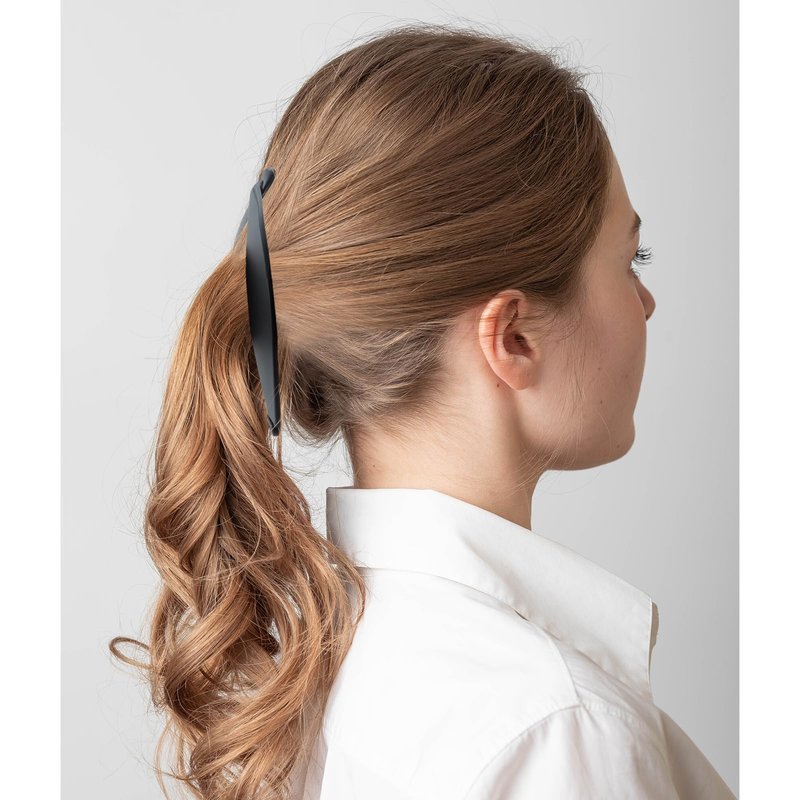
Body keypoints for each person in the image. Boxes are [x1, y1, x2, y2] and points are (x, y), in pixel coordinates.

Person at [110, 22, 737, 800]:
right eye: (629, 260)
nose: (647, 303)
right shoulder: (554, 730)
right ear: (513, 337)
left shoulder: (314, 666)